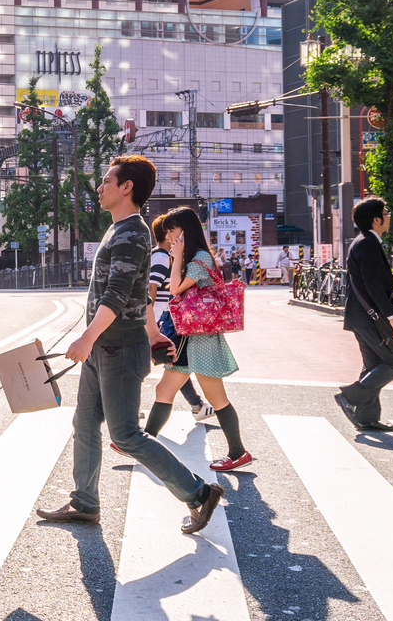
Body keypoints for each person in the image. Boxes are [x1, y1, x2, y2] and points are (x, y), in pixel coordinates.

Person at [38, 155, 224, 536]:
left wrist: (87, 337)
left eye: (107, 181)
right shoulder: (118, 229)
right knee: (85, 423)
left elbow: (118, 294)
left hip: (116, 349)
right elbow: (142, 290)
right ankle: (84, 502)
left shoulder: (131, 233)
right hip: (105, 347)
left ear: (127, 187)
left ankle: (198, 493)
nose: (100, 187)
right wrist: (152, 331)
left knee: (125, 434)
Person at [144, 207, 251, 470]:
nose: (168, 236)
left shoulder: (200, 258)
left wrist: (177, 256)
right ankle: (143, 445)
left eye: (172, 230)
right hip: (188, 337)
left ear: (186, 230)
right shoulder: (194, 256)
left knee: (216, 398)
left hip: (201, 339)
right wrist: (178, 256)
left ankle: (238, 452)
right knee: (164, 390)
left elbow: (175, 287)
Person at [335, 196, 393, 435]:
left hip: (360, 315)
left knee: (373, 364)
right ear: (376, 220)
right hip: (369, 317)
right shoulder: (367, 243)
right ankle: (350, 395)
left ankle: (367, 418)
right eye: (386, 212)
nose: (389, 215)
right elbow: (373, 284)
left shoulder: (363, 241)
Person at [147, 225, 207, 419]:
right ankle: (126, 412)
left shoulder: (159, 255)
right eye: (173, 232)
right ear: (166, 235)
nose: (177, 236)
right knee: (146, 365)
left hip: (156, 321)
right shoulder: (162, 257)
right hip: (155, 322)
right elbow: (151, 288)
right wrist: (150, 323)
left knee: (174, 364)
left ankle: (197, 405)